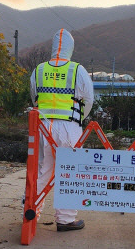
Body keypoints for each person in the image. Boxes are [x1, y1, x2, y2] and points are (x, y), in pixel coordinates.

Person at [29, 28, 94, 231]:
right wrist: (78, 119)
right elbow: (89, 99)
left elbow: (34, 97)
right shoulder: (77, 70)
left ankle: (30, 212)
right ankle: (65, 220)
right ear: (71, 49)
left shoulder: (38, 70)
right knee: (69, 172)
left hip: (42, 125)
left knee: (42, 170)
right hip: (68, 126)